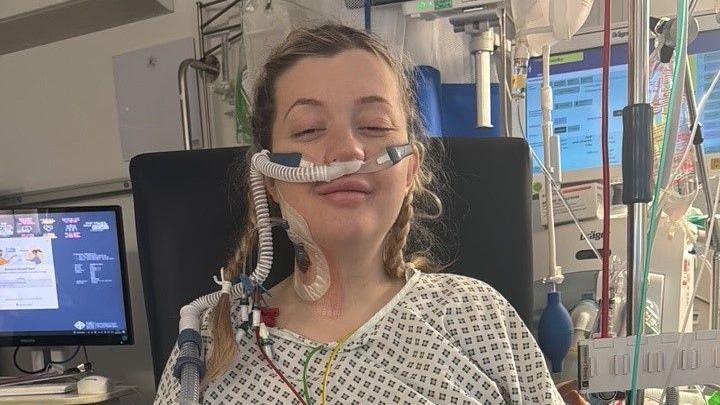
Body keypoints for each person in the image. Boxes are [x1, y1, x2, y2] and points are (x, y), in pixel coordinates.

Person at [154, 23, 587, 404]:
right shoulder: (208, 345)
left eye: (374, 126)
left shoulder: (477, 317)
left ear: (409, 171)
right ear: (270, 179)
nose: (347, 150)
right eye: (308, 129)